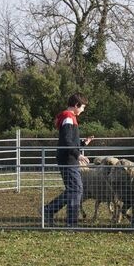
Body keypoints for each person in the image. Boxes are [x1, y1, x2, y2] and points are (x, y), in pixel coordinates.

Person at [43, 93, 94, 227]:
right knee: (76, 189)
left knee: (74, 189)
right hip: (68, 159)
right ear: (76, 105)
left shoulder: (70, 118)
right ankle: (70, 222)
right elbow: (66, 141)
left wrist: (83, 143)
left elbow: (70, 140)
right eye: (82, 107)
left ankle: (48, 211)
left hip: (69, 158)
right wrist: (78, 155)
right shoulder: (68, 118)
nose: (83, 110)